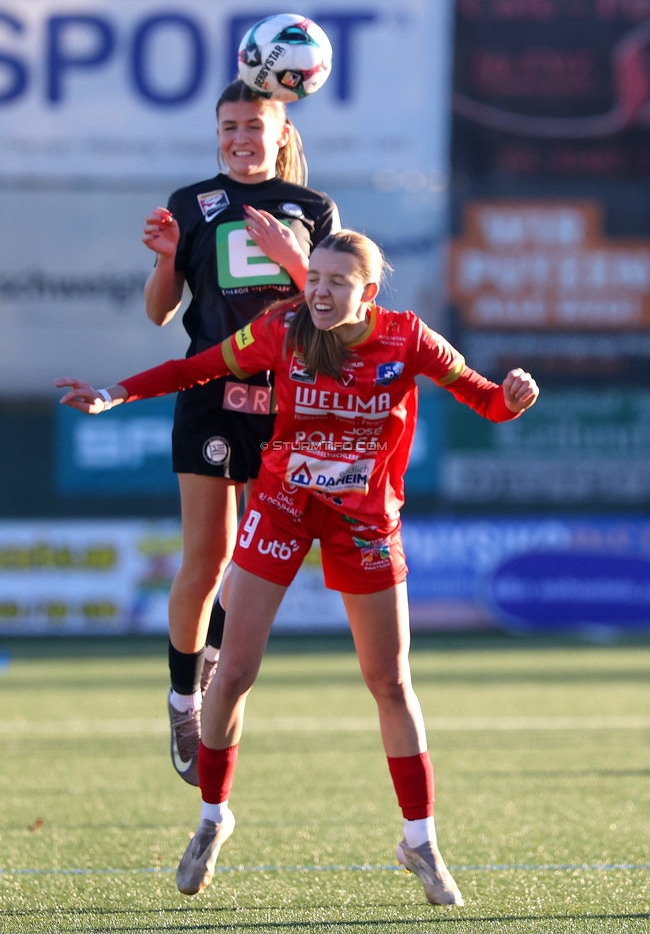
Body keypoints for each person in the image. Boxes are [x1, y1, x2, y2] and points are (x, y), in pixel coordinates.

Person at [56, 230, 538, 907]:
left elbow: (487, 400)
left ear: (368, 293)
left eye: (338, 281)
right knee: (233, 673)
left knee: (391, 682)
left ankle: (420, 841)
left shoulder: (408, 338)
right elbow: (195, 369)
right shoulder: (280, 329)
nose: (319, 289)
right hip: (281, 506)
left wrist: (514, 395)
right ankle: (212, 819)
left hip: (364, 521)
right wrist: (113, 394)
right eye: (314, 276)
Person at [141, 79, 340, 787]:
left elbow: (332, 313)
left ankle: (219, 661)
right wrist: (167, 258)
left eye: (254, 125)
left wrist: (293, 258)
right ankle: (181, 698)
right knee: (207, 555)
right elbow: (160, 315)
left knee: (254, 563)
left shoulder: (314, 210)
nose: (240, 138)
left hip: (284, 400)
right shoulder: (193, 202)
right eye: (229, 126)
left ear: (282, 131)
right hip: (208, 393)